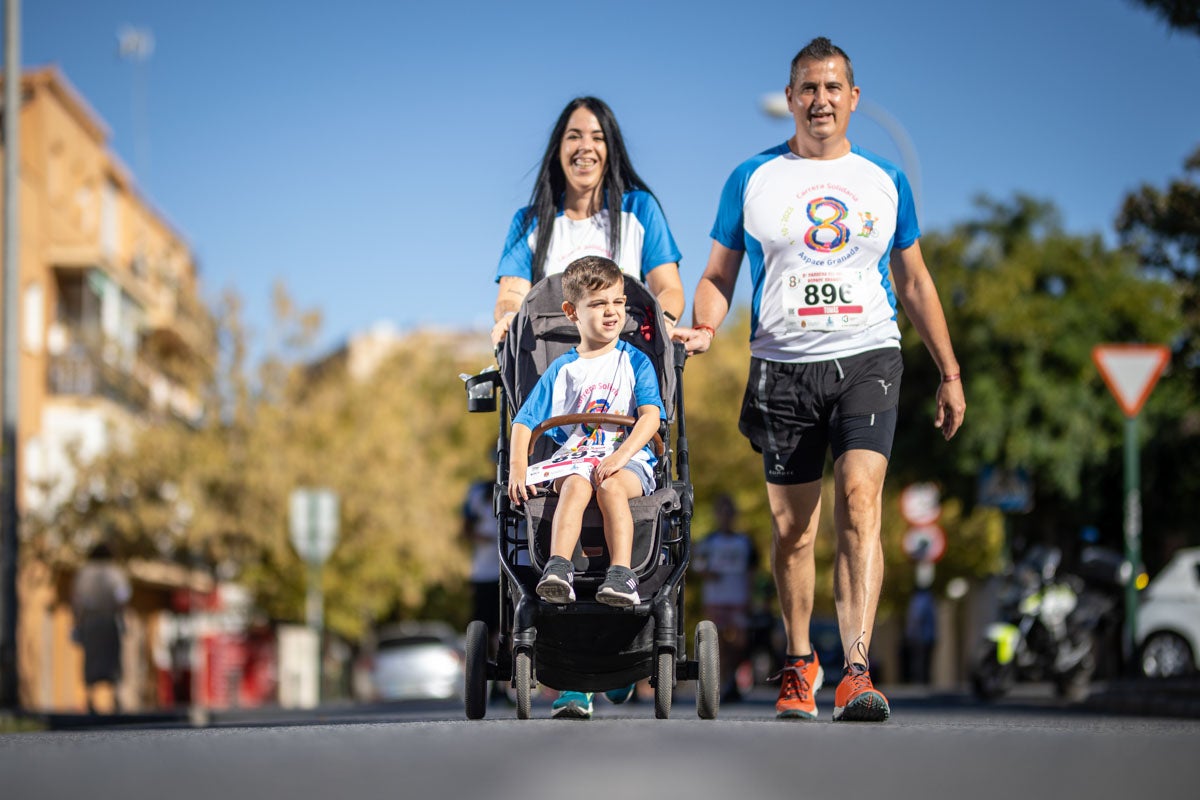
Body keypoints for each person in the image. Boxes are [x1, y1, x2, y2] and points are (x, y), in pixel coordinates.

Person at [675, 36, 965, 722]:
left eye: (833, 87)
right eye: (808, 88)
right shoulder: (752, 179)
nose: (821, 99)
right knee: (793, 531)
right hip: (782, 365)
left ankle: (856, 669)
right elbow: (719, 275)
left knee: (861, 505)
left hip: (870, 356)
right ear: (791, 98)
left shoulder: (885, 180)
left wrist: (949, 371)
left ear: (853, 98)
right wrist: (707, 326)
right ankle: (801, 660)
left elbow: (915, 281)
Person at [508, 256, 666, 719]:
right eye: (599, 303)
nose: (613, 311)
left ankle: (621, 573)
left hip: (627, 457)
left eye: (618, 301)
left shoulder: (633, 360)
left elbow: (651, 417)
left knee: (611, 486)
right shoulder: (563, 372)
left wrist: (619, 457)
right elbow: (524, 422)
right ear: (573, 312)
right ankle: (558, 568)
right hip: (579, 456)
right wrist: (519, 466)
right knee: (575, 483)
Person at [491, 96, 685, 347]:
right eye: (574, 136)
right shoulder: (529, 221)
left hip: (626, 363)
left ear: (610, 149)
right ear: (558, 148)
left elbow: (669, 289)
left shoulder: (639, 209)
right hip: (549, 367)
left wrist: (664, 323)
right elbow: (512, 295)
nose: (585, 146)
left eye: (598, 137)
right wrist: (509, 317)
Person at [692, 493, 760, 702]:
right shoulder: (708, 541)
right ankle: (720, 684)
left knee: (739, 643)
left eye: (729, 512)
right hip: (715, 598)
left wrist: (750, 597)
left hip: (738, 597)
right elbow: (696, 565)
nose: (726, 517)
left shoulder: (745, 541)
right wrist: (707, 573)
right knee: (717, 643)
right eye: (722, 512)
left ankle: (736, 678)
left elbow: (752, 571)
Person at [461, 460, 506, 702]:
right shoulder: (478, 492)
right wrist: (487, 539)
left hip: (511, 568)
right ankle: (493, 682)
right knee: (486, 627)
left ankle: (507, 683)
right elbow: (465, 528)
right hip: (485, 570)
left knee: (506, 627)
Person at [71, 542, 131, 714]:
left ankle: (90, 698)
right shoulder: (115, 572)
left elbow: (78, 601)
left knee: (92, 659)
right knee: (113, 658)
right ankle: (116, 697)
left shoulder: (84, 574)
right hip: (109, 620)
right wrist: (122, 617)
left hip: (91, 622)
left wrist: (77, 621)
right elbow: (122, 598)